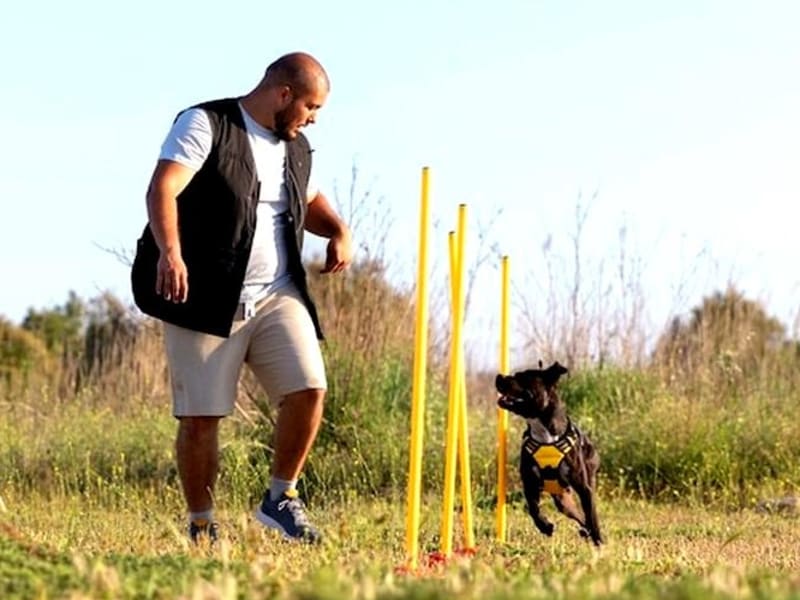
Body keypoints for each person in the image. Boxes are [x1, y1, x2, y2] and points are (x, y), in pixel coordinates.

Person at [131, 52, 352, 545]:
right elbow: (164, 187)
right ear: (284, 94)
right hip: (204, 297)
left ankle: (281, 499)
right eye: (311, 107)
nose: (314, 119)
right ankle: (203, 523)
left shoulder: (297, 147)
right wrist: (171, 252)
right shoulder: (206, 124)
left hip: (278, 295)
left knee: (309, 387)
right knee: (202, 417)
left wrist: (337, 229)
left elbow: (310, 202)